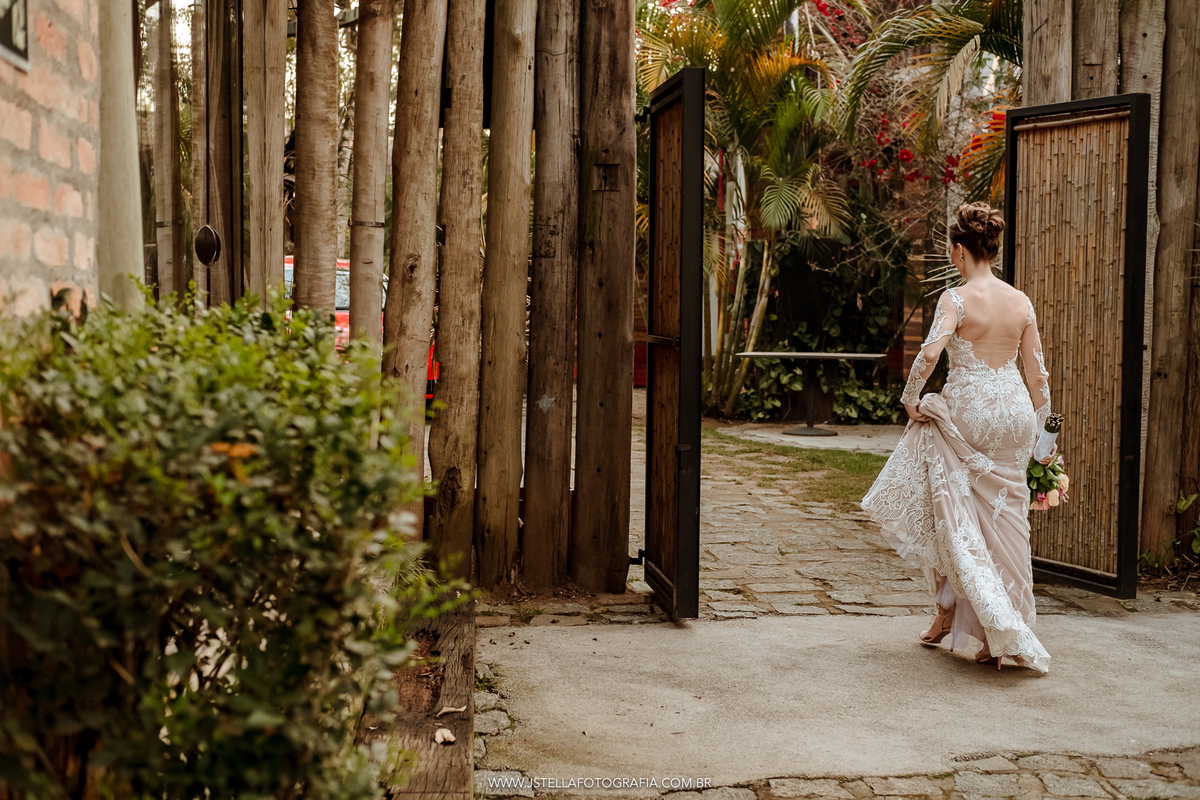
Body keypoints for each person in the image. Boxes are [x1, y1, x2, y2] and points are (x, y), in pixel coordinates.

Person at [861, 202, 1055, 673]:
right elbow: (1038, 375)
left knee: (945, 509)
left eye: (950, 250)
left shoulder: (957, 298)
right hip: (1014, 414)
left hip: (971, 411)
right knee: (1008, 521)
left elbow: (929, 354)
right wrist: (1046, 436)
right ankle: (1000, 628)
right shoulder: (1021, 301)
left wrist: (911, 398)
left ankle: (953, 608)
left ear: (960, 249)